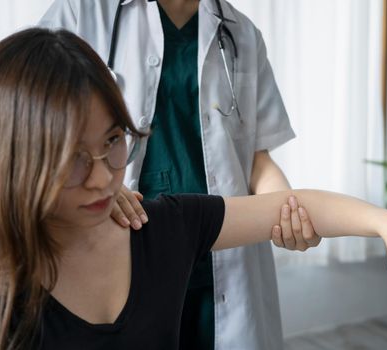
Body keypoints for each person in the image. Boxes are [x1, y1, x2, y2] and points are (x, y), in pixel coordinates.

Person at [0, 28, 387, 350]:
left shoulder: (160, 228)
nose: (105, 175)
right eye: (71, 159)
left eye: (113, 141)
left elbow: (290, 200)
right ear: (13, 159)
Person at [38, 1, 321, 349]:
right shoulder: (83, 11)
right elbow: (27, 119)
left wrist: (288, 211)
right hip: (123, 240)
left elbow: (256, 157)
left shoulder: (242, 32)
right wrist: (105, 185)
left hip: (220, 247)